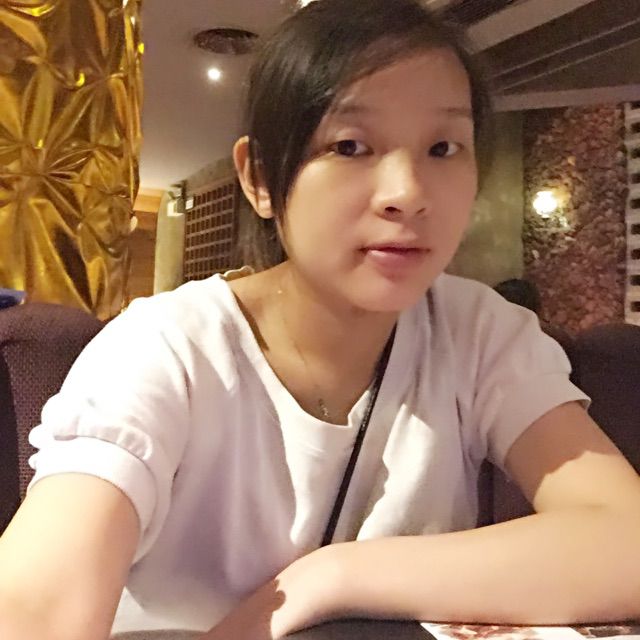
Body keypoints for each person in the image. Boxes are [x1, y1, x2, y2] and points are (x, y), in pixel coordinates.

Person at [1, 1, 639, 638]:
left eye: (443, 147)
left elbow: (626, 540)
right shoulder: (166, 348)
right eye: (350, 146)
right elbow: (36, 608)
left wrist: (330, 579)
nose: (408, 192)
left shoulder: (479, 333)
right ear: (259, 178)